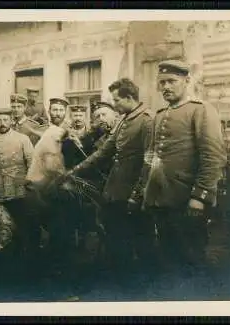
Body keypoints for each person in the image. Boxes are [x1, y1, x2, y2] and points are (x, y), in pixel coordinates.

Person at [132, 60, 227, 278]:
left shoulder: (201, 111)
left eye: (171, 82)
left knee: (191, 257)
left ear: (186, 81)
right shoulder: (159, 114)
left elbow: (213, 156)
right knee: (167, 256)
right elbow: (151, 156)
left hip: (187, 199)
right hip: (161, 198)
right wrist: (145, 191)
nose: (165, 87)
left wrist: (200, 196)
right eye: (162, 82)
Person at [67, 78, 156, 285]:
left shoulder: (147, 120)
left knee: (142, 239)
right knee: (117, 235)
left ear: (129, 98)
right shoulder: (125, 120)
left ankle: (146, 286)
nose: (114, 105)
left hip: (134, 193)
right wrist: (76, 170)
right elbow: (104, 152)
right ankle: (121, 282)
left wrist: (138, 193)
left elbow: (150, 161)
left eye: (116, 100)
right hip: (116, 191)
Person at [0, 107, 38, 266]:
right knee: (5, 228)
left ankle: (28, 262)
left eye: (6, 119)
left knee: (25, 226)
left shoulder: (23, 139)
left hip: (22, 191)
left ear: (12, 121)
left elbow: (33, 164)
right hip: (1, 193)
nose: (2, 123)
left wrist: (31, 186)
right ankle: (8, 263)